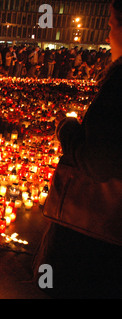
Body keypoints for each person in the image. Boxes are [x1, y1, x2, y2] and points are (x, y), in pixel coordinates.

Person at [32, 0, 122, 299]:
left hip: (95, 228)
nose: (108, 37)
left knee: (66, 286)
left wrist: (68, 129)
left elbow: (98, 162)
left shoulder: (120, 84)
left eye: (111, 27)